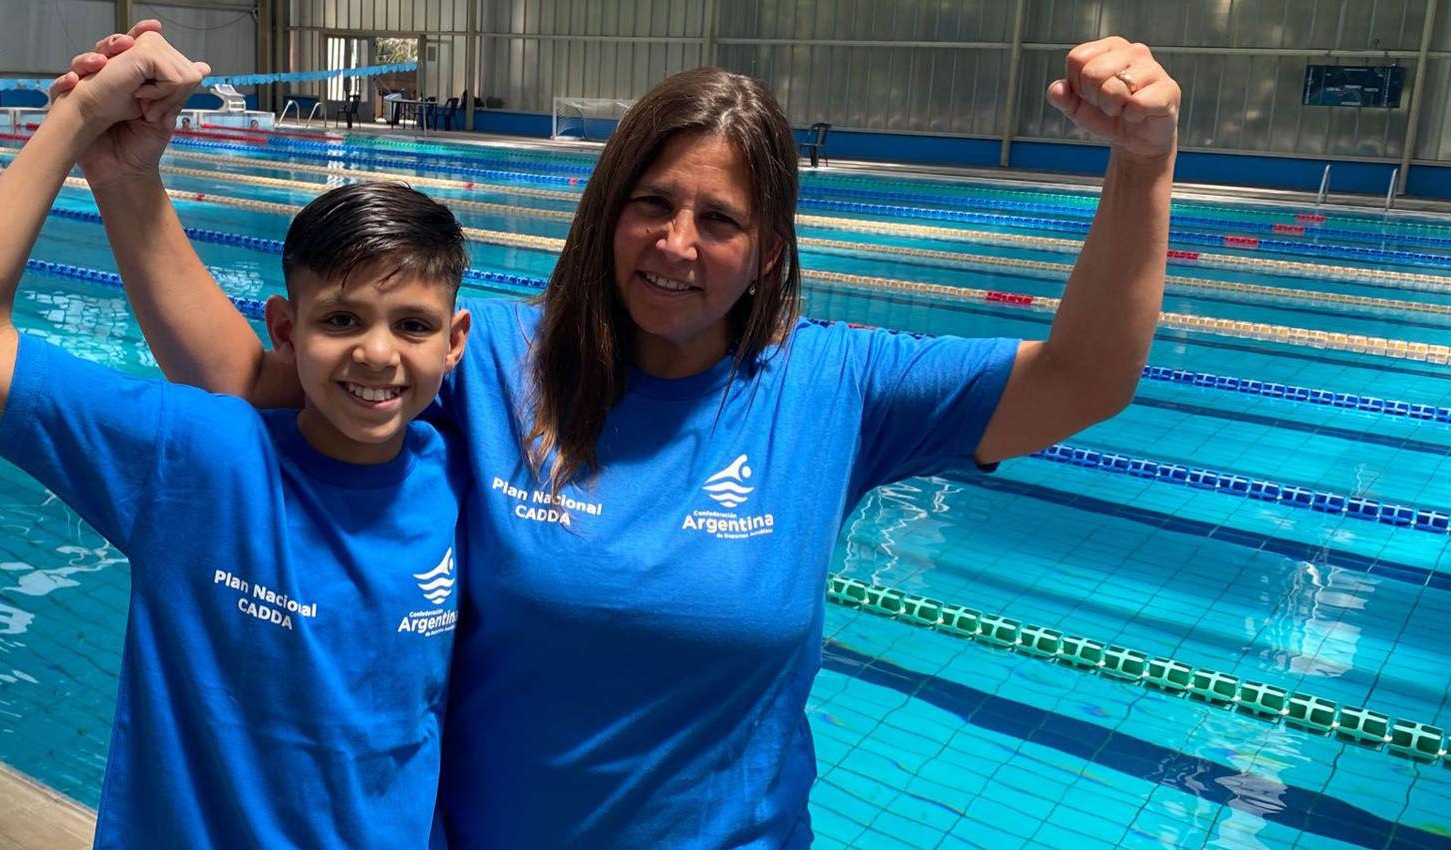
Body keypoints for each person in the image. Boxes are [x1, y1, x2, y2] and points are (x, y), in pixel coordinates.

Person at [58, 24, 1180, 849]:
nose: (678, 244)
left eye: (722, 219)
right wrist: (129, 186)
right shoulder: (496, 358)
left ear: (768, 244)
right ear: (607, 210)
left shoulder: (839, 387)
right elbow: (257, 383)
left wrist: (1144, 163)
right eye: (654, 203)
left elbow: (1085, 378)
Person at [0, 33, 476, 849]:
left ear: (456, 341)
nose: (377, 353)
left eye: (412, 325)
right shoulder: (199, 459)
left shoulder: (468, 481)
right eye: (341, 320)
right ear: (285, 329)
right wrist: (78, 118)